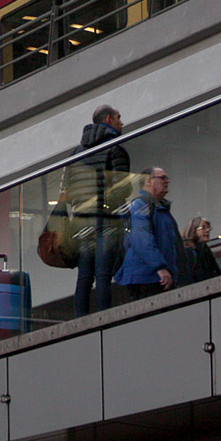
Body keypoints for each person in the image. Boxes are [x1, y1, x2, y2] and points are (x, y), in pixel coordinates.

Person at [61, 104, 132, 316]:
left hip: (81, 221)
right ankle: (103, 318)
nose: (122, 122)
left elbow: (67, 192)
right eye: (118, 117)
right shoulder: (115, 147)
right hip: (105, 219)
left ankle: (79, 320)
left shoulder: (76, 153)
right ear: (108, 119)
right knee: (103, 274)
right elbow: (122, 188)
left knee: (84, 276)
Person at [114, 168, 183, 301]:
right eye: (162, 178)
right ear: (148, 181)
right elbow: (142, 240)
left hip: (157, 277)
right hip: (147, 278)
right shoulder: (140, 205)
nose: (167, 181)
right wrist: (160, 268)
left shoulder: (159, 209)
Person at [180, 216, 221, 285]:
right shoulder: (188, 251)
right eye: (203, 228)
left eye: (208, 228)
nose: (207, 230)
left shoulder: (206, 250)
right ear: (193, 230)